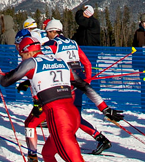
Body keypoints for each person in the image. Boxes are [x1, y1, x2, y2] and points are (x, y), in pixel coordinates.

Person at [0, 37, 127, 162]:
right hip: (72, 113)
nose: (20, 57)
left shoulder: (31, 62)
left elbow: (6, 80)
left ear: (29, 50)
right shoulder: (58, 60)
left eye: (21, 53)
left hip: (57, 117)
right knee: (47, 153)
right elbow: (83, 86)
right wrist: (104, 108)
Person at [43, 19, 112, 154]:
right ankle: (99, 139)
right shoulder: (73, 43)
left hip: (66, 85)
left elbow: (42, 61)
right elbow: (87, 63)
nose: (47, 35)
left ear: (52, 31)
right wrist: (87, 81)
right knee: (75, 116)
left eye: (47, 33)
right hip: (78, 83)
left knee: (68, 117)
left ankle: (74, 147)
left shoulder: (52, 44)